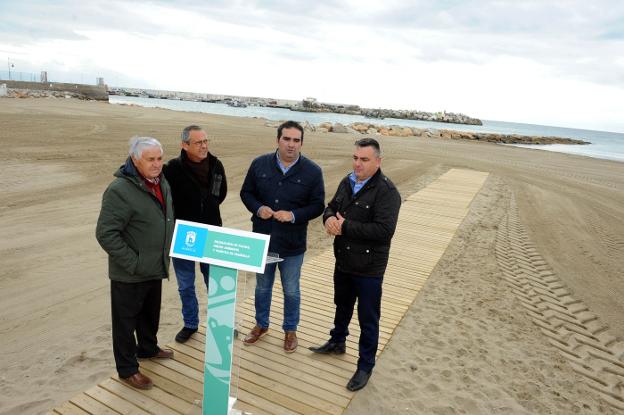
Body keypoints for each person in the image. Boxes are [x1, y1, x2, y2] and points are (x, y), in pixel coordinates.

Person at [309, 138, 401, 391]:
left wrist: (345, 225)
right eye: (355, 158)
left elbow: (384, 231)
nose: (357, 164)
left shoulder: (387, 192)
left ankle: (365, 365)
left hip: (370, 267)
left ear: (378, 161)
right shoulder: (347, 181)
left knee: (368, 318)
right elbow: (331, 208)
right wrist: (329, 220)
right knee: (342, 304)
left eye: (364, 159)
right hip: (344, 260)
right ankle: (337, 341)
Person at [96, 136, 175, 390]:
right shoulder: (119, 190)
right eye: (150, 159)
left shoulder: (160, 182)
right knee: (125, 322)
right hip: (130, 272)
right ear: (134, 159)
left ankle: (148, 349)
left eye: (159, 158)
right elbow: (106, 233)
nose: (156, 164)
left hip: (155, 265)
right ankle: (128, 369)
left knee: (150, 314)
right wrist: (134, 262)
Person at [240, 120, 325, 353]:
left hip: (292, 244)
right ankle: (261, 325)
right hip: (263, 240)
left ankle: (290, 330)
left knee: (291, 289)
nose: (291, 145)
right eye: (286, 139)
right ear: (278, 140)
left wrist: (294, 215)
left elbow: (318, 205)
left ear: (301, 143)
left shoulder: (313, 171)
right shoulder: (259, 164)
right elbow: (246, 193)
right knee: (262, 287)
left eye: (296, 140)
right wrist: (258, 208)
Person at [163, 125, 227, 343]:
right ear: (184, 145)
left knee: (215, 282)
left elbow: (221, 193)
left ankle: (220, 325)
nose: (204, 146)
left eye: (206, 141)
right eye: (198, 142)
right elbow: (166, 198)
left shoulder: (216, 164)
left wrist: (207, 208)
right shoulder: (172, 168)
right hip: (184, 235)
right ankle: (190, 324)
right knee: (186, 284)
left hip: (211, 231)